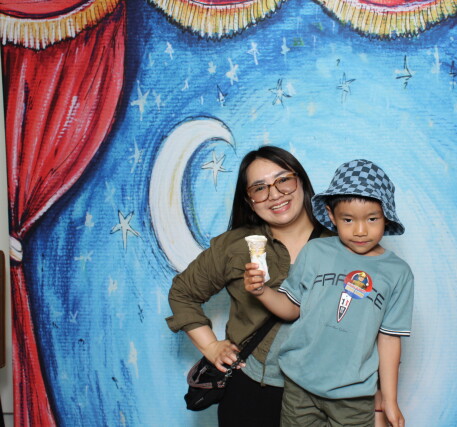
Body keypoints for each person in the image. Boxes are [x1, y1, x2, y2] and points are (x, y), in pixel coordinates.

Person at [166, 146, 333, 426]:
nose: (275, 194)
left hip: (324, 394)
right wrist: (211, 346)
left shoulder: (342, 245)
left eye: (283, 180)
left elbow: (370, 324)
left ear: (301, 181)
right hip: (251, 392)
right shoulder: (235, 246)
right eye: (259, 188)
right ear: (249, 200)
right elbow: (183, 293)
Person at [245, 159, 415, 427]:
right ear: (332, 215)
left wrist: (390, 401)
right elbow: (292, 308)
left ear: (386, 216)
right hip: (299, 385)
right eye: (348, 219)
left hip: (354, 395)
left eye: (372, 219)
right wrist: (261, 291)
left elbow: (390, 339)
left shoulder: (398, 273)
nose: (361, 230)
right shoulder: (315, 252)